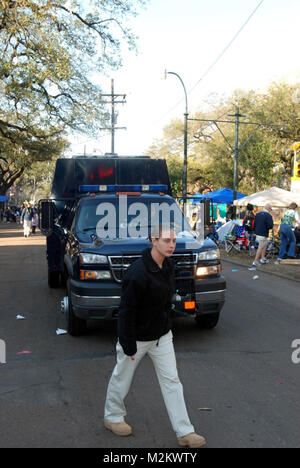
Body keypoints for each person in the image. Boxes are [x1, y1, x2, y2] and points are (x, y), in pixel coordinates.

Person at [104, 224, 206, 449]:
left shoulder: (168, 266)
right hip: (137, 338)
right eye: (166, 240)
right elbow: (126, 311)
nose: (171, 245)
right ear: (153, 240)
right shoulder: (137, 273)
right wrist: (128, 344)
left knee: (172, 382)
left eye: (173, 241)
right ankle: (112, 416)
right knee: (122, 378)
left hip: (162, 336)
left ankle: (185, 432)